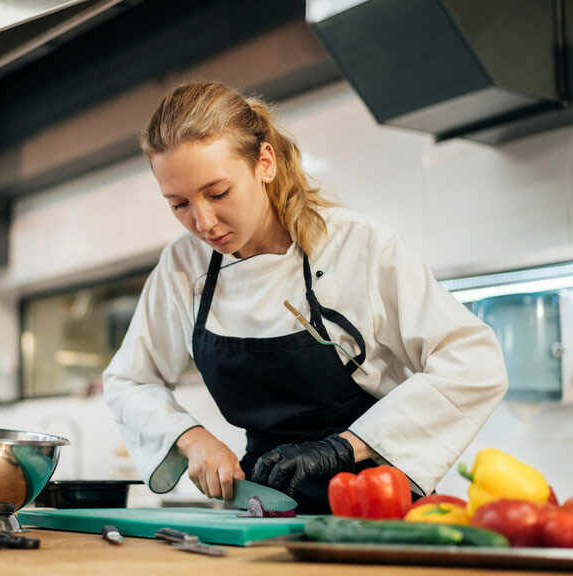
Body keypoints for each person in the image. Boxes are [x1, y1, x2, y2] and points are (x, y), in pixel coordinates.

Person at [103, 81, 508, 513]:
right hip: (260, 509)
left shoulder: (361, 247)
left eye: (218, 193)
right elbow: (129, 380)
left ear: (265, 162)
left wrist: (341, 448)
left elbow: (473, 363)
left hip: (373, 505)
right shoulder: (183, 266)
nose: (203, 221)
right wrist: (192, 438)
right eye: (178, 204)